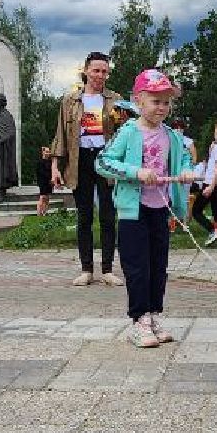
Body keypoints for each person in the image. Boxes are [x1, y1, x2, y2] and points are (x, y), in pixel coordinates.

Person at [96, 69, 198, 347]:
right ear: (138, 101)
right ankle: (138, 320)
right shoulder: (128, 132)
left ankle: (153, 315)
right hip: (133, 211)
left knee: (158, 265)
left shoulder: (172, 136)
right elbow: (103, 162)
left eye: (166, 102)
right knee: (137, 266)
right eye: (155, 101)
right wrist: (135, 172)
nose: (162, 107)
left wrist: (186, 171)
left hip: (160, 209)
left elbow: (185, 160)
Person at [52, 52, 121, 286]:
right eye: (96, 70)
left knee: (108, 215)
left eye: (104, 71)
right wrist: (55, 166)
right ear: (86, 71)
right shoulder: (70, 100)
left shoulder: (115, 100)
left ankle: (108, 269)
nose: (100, 75)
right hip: (79, 159)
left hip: (106, 159)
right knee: (84, 216)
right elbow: (60, 135)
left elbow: (124, 132)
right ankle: (86, 269)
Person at [190, 119, 217, 245]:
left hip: (211, 183)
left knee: (196, 211)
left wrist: (210, 186)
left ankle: (212, 230)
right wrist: (211, 151)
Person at [35, 145, 57, 215]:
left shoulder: (50, 162)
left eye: (49, 152)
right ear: (43, 152)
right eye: (46, 152)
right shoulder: (40, 162)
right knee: (42, 197)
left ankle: (44, 212)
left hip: (49, 182)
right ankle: (39, 213)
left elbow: (53, 171)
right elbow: (41, 172)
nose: (48, 153)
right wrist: (49, 177)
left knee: (47, 198)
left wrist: (53, 179)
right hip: (42, 182)